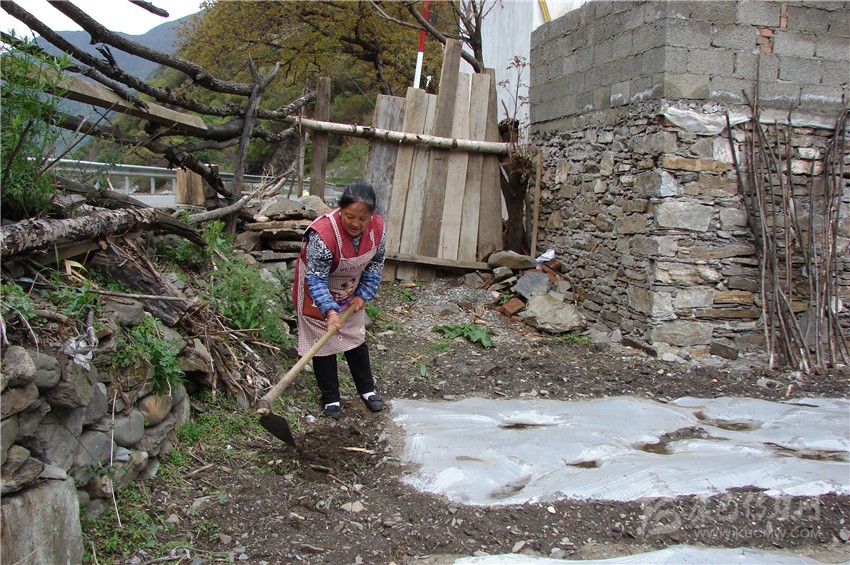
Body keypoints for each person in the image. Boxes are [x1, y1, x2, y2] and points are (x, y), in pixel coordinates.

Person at [292, 182, 386, 420]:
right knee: (322, 343)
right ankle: (330, 397)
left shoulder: (377, 228)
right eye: (350, 216)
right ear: (340, 210)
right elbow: (316, 278)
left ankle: (367, 390)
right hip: (317, 289)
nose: (355, 223)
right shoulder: (323, 233)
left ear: (371, 215)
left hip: (349, 289)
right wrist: (330, 311)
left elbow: (376, 263)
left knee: (355, 339)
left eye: (362, 218)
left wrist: (364, 293)